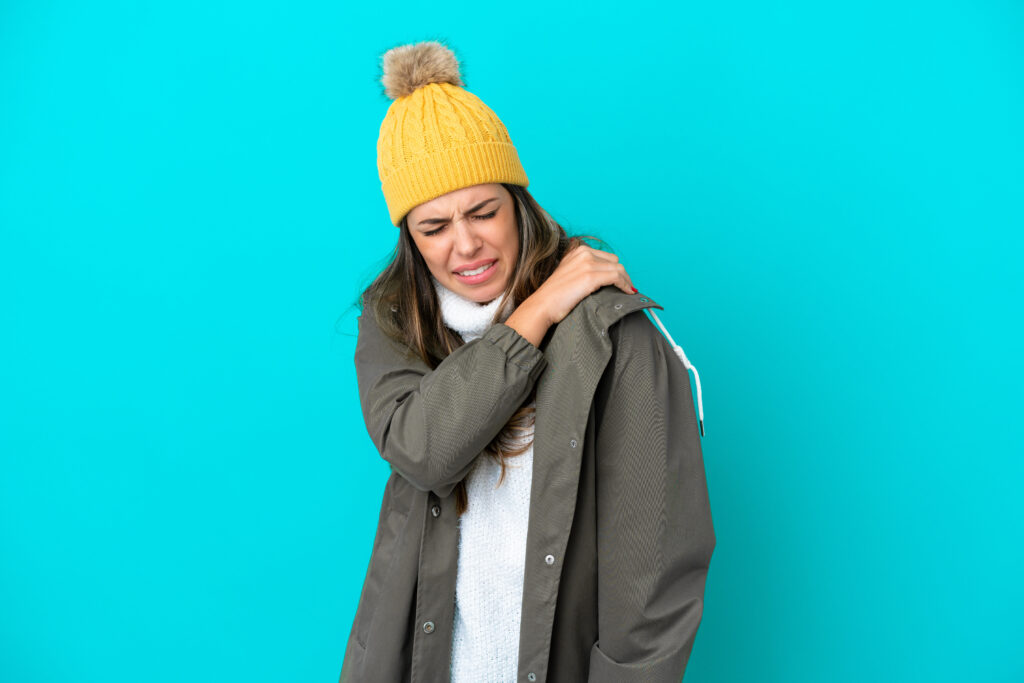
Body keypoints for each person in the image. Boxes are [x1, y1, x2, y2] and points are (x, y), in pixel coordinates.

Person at [339, 40, 715, 683]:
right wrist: (534, 314)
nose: (466, 245)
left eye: (483, 211)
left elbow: (656, 565)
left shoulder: (613, 334)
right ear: (408, 235)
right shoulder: (393, 319)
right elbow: (425, 447)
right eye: (433, 227)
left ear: (518, 201)